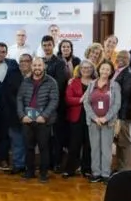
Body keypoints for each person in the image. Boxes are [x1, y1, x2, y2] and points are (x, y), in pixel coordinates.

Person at [17, 57, 59, 182]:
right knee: (28, 147)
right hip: (27, 119)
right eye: (35, 65)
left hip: (43, 120)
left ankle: (43, 174)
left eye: (39, 65)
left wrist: (44, 116)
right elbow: (19, 99)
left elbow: (54, 100)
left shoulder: (51, 82)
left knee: (43, 147)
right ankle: (29, 172)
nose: (37, 68)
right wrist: (22, 115)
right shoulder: (25, 81)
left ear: (44, 66)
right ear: (31, 67)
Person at [84, 60, 121, 184]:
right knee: (94, 148)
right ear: (99, 69)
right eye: (103, 68)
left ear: (111, 72)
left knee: (106, 149)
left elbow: (117, 104)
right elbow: (86, 103)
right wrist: (95, 117)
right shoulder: (91, 84)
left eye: (108, 69)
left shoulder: (114, 85)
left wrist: (106, 118)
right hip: (93, 122)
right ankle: (96, 173)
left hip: (108, 122)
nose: (105, 71)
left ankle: (105, 174)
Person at [0, 43, 23, 173]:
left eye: (3, 52)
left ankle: (3, 159)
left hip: (8, 107)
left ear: (6, 53)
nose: (1, 54)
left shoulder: (13, 64)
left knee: (5, 135)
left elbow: (18, 82)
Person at [40, 34, 68, 172]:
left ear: (53, 45)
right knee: (45, 136)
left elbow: (60, 84)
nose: (47, 48)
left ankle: (57, 163)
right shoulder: (40, 61)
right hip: (42, 106)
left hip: (57, 106)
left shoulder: (60, 62)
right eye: (44, 45)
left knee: (57, 136)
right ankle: (48, 162)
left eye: (49, 45)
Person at [64, 60, 95, 177]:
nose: (86, 70)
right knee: (74, 144)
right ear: (80, 69)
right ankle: (70, 169)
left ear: (92, 70)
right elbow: (68, 99)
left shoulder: (96, 83)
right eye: (83, 68)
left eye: (88, 68)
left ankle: (86, 169)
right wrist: (80, 100)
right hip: (76, 116)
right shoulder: (73, 82)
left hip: (91, 117)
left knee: (88, 144)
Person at [112, 50, 131, 171]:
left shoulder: (129, 74)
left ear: (129, 60)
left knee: (125, 143)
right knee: (119, 143)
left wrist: (120, 117)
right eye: (119, 56)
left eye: (125, 57)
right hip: (117, 113)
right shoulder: (117, 71)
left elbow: (125, 96)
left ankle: (126, 170)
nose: (121, 58)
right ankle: (120, 169)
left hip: (123, 114)